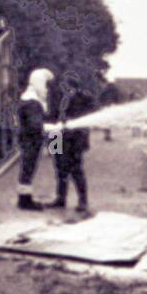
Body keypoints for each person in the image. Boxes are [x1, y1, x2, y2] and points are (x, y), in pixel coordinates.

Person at [15, 67, 57, 210]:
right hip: (31, 141)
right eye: (44, 84)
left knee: (27, 169)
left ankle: (24, 199)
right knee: (28, 169)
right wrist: (49, 129)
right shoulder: (32, 102)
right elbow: (35, 125)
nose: (46, 88)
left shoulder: (29, 99)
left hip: (30, 140)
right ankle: (24, 201)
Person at [49, 75, 91, 212]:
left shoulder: (81, 99)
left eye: (66, 86)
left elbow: (80, 121)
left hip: (74, 140)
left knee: (76, 170)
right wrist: (52, 145)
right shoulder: (61, 98)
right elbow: (54, 116)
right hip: (57, 137)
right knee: (59, 170)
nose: (64, 88)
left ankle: (83, 201)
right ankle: (60, 199)